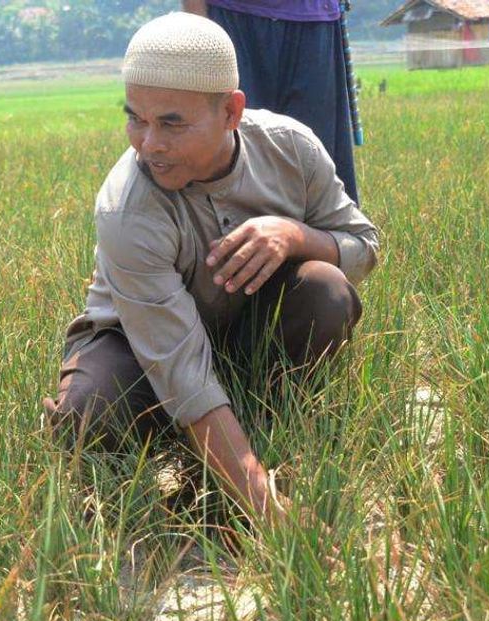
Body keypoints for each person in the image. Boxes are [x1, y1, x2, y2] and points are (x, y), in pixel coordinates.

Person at [42, 13, 378, 527]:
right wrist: (266, 508)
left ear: (231, 112)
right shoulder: (127, 207)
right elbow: (177, 366)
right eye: (136, 118)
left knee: (325, 291)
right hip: (140, 348)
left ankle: (262, 431)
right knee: (89, 418)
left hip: (247, 340)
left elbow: (364, 245)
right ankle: (203, 460)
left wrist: (294, 236)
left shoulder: (291, 149)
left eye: (172, 122)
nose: (149, 143)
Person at [182, 0, 360, 205]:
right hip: (230, 19)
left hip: (314, 19)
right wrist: (198, 27)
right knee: (232, 152)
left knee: (316, 164)